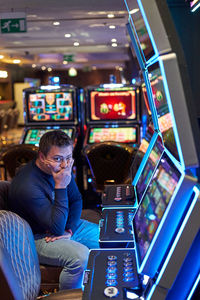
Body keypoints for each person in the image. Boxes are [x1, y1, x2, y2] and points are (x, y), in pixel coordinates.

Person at [8, 130, 99, 290]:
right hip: (35, 237)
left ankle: (101, 288)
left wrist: (69, 229)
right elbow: (56, 229)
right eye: (57, 159)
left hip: (62, 226)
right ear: (42, 157)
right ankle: (70, 296)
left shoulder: (60, 169)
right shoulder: (27, 186)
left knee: (111, 240)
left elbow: (77, 200)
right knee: (80, 258)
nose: (64, 165)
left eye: (68, 158)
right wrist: (61, 186)